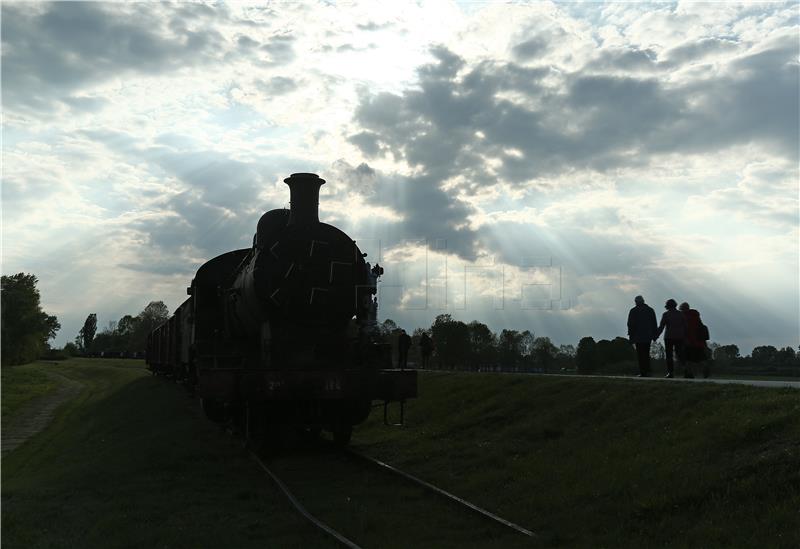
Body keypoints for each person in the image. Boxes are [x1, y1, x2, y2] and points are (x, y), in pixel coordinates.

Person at [656, 298, 688, 378]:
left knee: (669, 355)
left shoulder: (666, 314)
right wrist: (685, 336)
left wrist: (656, 335)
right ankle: (686, 371)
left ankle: (671, 373)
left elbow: (661, 327)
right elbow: (685, 326)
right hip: (679, 337)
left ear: (667, 306)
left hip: (669, 337)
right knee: (680, 355)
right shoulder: (681, 314)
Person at [627, 295, 658, 377]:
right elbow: (654, 323)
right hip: (648, 336)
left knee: (640, 355)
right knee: (646, 354)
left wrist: (631, 336)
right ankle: (648, 371)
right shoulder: (650, 310)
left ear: (636, 302)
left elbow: (630, 324)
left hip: (638, 336)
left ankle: (643, 371)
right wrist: (655, 335)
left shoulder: (633, 311)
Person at [680, 302, 710, 378]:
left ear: (682, 309)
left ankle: (689, 374)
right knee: (701, 358)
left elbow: (684, 330)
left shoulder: (684, 317)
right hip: (699, 342)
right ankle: (705, 368)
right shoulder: (696, 315)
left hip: (689, 342)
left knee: (688, 359)